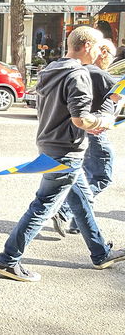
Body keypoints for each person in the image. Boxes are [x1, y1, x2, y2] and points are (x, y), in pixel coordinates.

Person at [0, 26, 125, 282]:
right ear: (87, 46)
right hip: (67, 151)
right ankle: (8, 260)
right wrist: (105, 121)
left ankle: (100, 253)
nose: (101, 53)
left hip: (51, 145)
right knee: (42, 206)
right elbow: (80, 119)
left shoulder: (51, 69)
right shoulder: (78, 75)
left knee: (82, 200)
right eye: (99, 47)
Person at [52, 38, 118, 236]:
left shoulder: (77, 70)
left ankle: (75, 220)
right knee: (101, 176)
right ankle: (65, 211)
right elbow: (113, 99)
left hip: (79, 134)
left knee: (80, 178)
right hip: (95, 131)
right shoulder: (98, 74)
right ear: (102, 52)